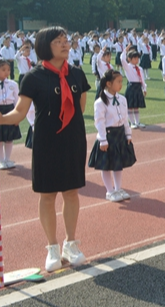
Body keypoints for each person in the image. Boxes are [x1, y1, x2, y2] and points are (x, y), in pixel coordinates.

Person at [0, 27, 91, 272]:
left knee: (71, 191)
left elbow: (79, 108)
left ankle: (70, 244)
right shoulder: (32, 77)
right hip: (46, 142)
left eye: (66, 40)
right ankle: (51, 247)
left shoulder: (77, 74)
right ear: (45, 46)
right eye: (58, 41)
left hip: (73, 139)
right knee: (48, 194)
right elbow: (19, 113)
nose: (65, 44)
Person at [88, 69, 136, 202]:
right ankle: (110, 191)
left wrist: (128, 133)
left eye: (122, 81)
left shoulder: (122, 99)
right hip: (108, 136)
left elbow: (125, 118)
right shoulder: (100, 102)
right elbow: (100, 122)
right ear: (109, 84)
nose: (121, 84)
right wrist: (103, 140)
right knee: (106, 165)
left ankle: (118, 188)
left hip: (120, 134)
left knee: (118, 164)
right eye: (118, 82)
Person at [0, 60, 21, 169]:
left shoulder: (13, 84)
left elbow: (17, 101)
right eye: (3, 70)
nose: (6, 72)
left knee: (9, 137)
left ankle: (7, 159)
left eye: (8, 70)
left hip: (10, 110)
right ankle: (1, 160)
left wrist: (17, 117)